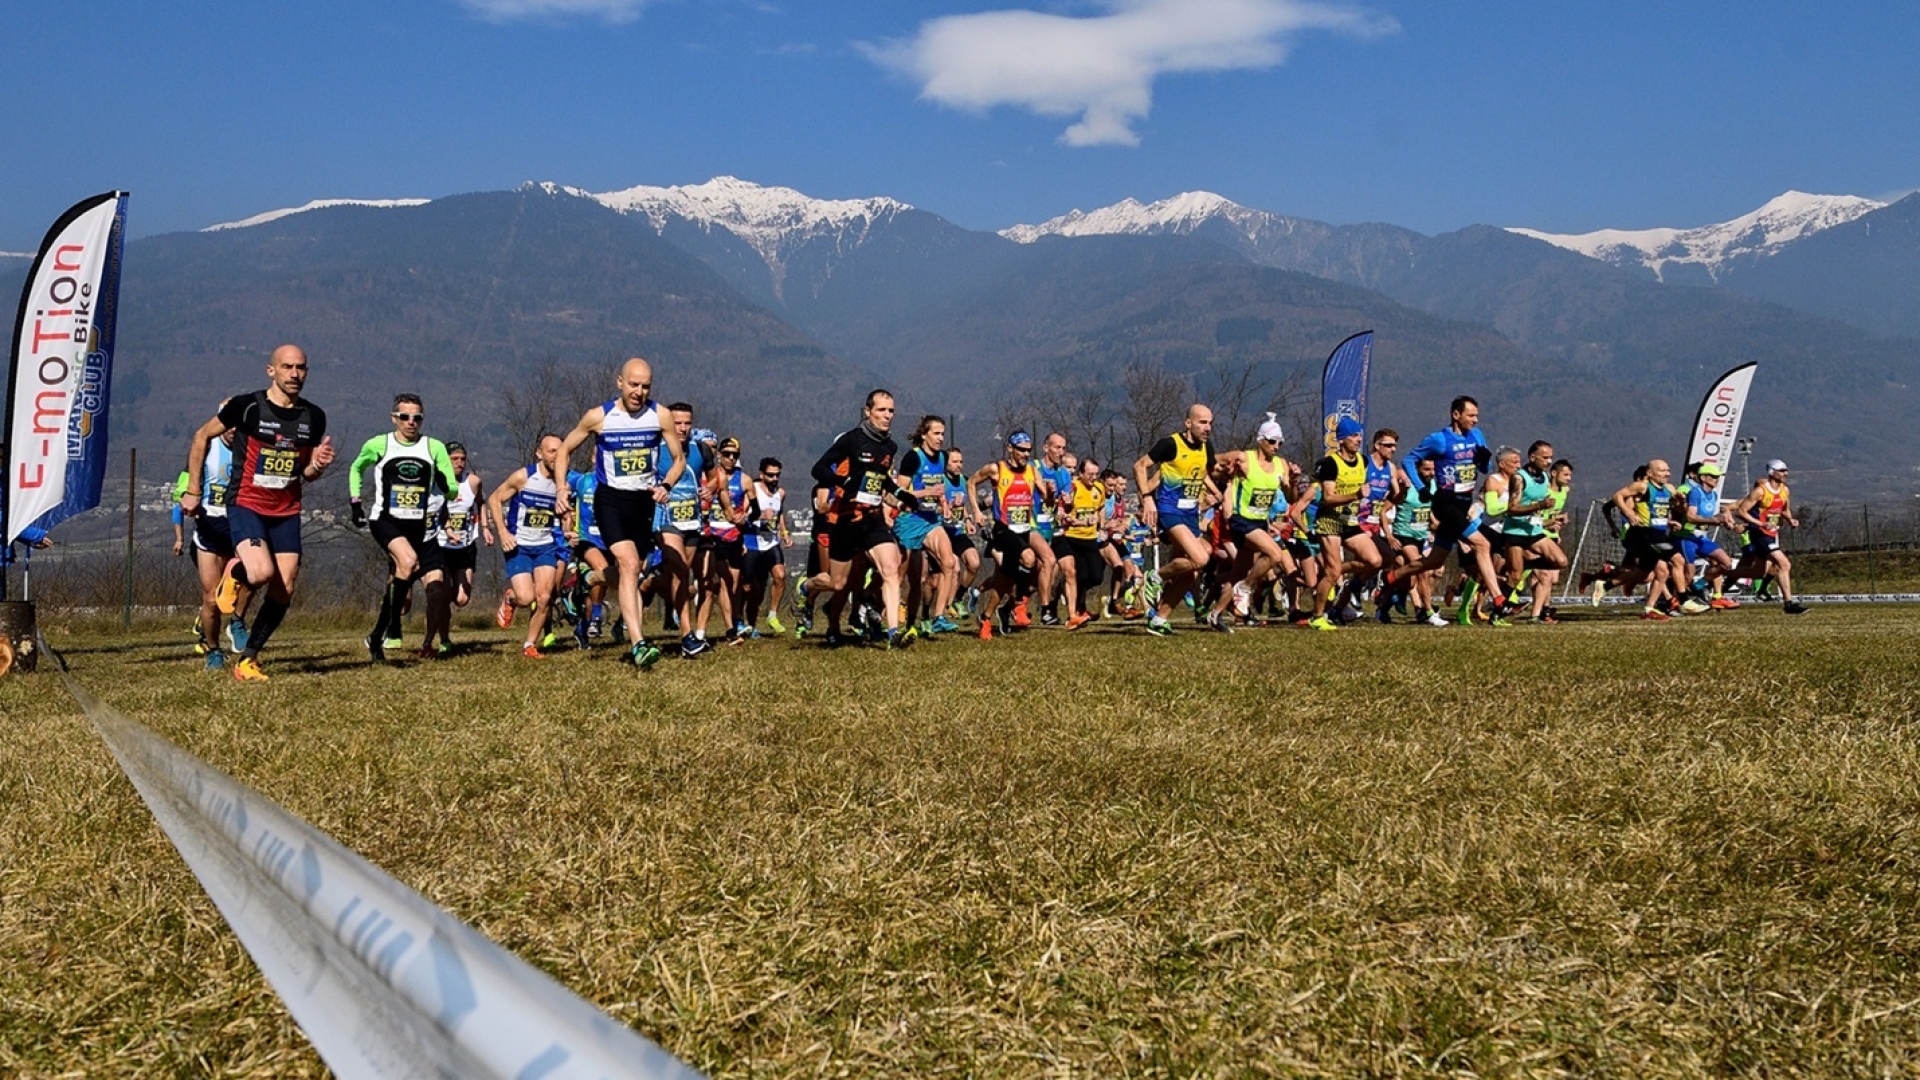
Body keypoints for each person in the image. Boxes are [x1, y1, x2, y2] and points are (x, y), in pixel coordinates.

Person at [179, 344, 335, 683]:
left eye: (301, 368)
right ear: (271, 371)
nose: (295, 374)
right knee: (262, 573)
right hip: (246, 503)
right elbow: (201, 436)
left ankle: (248, 659)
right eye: (287, 367)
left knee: (285, 586)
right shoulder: (247, 406)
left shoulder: (314, 417)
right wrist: (193, 489)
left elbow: (303, 473)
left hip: (286, 510)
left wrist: (317, 467)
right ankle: (235, 576)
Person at [555, 357, 686, 668]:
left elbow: (678, 459)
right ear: (619, 382)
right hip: (610, 500)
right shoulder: (599, 417)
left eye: (645, 386)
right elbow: (563, 450)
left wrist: (666, 485)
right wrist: (562, 487)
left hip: (643, 502)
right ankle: (638, 644)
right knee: (628, 565)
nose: (639, 392)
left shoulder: (660, 415)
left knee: (634, 571)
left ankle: (590, 580)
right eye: (633, 385)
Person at [801, 390, 920, 649]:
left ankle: (893, 633)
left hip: (873, 519)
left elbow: (882, 481)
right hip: (846, 521)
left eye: (891, 411)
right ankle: (807, 588)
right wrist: (842, 481)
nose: (887, 416)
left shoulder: (890, 446)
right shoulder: (851, 440)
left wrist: (902, 497)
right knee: (838, 583)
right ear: (867, 412)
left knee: (891, 567)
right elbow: (818, 469)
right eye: (881, 410)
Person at [1380, 396, 1513, 624]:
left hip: (1463, 501)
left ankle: (1393, 577)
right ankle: (1499, 599)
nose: (1475, 420)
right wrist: (1421, 487)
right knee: (1482, 544)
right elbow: (1410, 460)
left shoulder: (1477, 435)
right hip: (1445, 502)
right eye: (1471, 415)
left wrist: (1484, 461)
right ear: (1456, 415)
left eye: (1476, 415)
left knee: (1434, 561)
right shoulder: (1439, 440)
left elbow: (1484, 468)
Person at [348, 393, 457, 663]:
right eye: (405, 417)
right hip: (386, 520)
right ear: (394, 418)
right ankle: (390, 629)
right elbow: (356, 468)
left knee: (418, 580)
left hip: (419, 527)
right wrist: (355, 502)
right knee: (407, 562)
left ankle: (378, 635)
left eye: (417, 417)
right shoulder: (379, 444)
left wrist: (447, 485)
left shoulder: (434, 447)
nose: (411, 422)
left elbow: (452, 488)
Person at [1133, 404, 1219, 637]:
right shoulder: (1170, 444)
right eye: (1202, 422)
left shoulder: (1205, 447)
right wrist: (1147, 498)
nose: (1208, 427)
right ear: (1188, 423)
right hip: (1170, 511)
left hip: (1191, 513)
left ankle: (1159, 620)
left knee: (1190, 573)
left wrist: (1215, 490)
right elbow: (1140, 466)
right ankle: (1156, 576)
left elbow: (1203, 472)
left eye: (1210, 422)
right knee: (1200, 558)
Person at [1206, 416, 1293, 631]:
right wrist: (1224, 471)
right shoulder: (1244, 458)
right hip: (1241, 521)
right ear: (1260, 440)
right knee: (1274, 554)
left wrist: (1293, 482)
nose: (1276, 447)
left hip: (1260, 523)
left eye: (1280, 443)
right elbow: (1209, 463)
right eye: (1272, 441)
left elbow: (1290, 496)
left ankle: (1216, 614)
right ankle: (1245, 588)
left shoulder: (1281, 465)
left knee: (1237, 573)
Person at [182, 420, 253, 668]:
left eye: (238, 423)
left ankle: (237, 621)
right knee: (211, 599)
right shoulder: (207, 446)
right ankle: (213, 650)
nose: (233, 428)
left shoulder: (251, 447)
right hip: (210, 527)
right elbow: (185, 479)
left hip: (240, 524)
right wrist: (185, 496)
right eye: (229, 422)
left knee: (257, 574)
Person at [488, 434, 567, 657]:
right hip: (519, 545)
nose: (556, 456)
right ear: (539, 454)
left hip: (545, 545)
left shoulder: (563, 482)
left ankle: (529, 645)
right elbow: (494, 499)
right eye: (551, 451)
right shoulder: (524, 477)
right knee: (526, 598)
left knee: (544, 597)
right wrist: (503, 532)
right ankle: (511, 598)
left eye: (560, 451)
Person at [970, 431, 1045, 640]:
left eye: (1028, 450)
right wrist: (976, 510)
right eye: (1021, 450)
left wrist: (1050, 493)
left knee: (1004, 581)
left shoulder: (1032, 470)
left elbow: (1046, 498)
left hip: (1023, 529)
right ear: (1010, 448)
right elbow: (971, 483)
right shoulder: (997, 469)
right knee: (1029, 558)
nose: (1025, 454)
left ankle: (986, 617)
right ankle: (1019, 606)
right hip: (1003, 529)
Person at [893, 416, 961, 635]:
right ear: (924, 435)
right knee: (910, 579)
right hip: (909, 520)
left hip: (931, 519)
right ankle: (900, 621)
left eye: (943, 434)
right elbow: (899, 492)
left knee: (949, 563)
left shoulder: (942, 457)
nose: (941, 438)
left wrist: (944, 503)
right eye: (936, 433)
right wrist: (925, 493)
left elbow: (939, 485)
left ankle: (938, 616)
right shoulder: (913, 458)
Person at [424, 442, 490, 655]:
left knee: (461, 599)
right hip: (441, 545)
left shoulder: (473, 482)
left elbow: (481, 502)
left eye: (463, 458)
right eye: (454, 459)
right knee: (442, 596)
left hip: (465, 547)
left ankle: (440, 630)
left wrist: (485, 527)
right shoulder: (436, 483)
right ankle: (441, 639)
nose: (460, 463)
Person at [1610, 458, 1684, 621]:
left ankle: (1609, 581)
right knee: (1677, 561)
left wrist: (1679, 505)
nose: (1667, 473)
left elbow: (1674, 509)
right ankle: (1683, 600)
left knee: (1648, 574)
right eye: (1662, 470)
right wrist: (1628, 513)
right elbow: (1617, 497)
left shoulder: (1670, 488)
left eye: (1668, 470)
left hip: (1660, 533)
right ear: (1649, 473)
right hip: (1643, 533)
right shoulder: (1642, 486)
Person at [1732, 458, 1808, 615]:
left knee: (1758, 573)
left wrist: (1790, 519)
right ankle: (1788, 603)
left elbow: (1784, 509)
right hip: (1759, 534)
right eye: (1781, 471)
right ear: (1772, 473)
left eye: (1786, 470)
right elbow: (1741, 511)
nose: (1785, 473)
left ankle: (1720, 574)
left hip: (1771, 534)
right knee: (1784, 564)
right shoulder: (1760, 491)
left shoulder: (1785, 490)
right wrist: (1759, 524)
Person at [1675, 462, 1739, 609]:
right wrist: (1714, 520)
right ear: (1703, 477)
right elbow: (1691, 517)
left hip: (1701, 537)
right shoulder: (1694, 492)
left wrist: (1725, 520)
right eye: (1713, 476)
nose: (1717, 479)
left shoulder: (1714, 495)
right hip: (1687, 537)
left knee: (1726, 563)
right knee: (1688, 573)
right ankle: (1675, 602)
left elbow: (1710, 516)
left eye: (1718, 477)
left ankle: (1700, 585)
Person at [740, 456, 791, 636]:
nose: (774, 479)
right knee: (750, 589)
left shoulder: (781, 493)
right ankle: (748, 623)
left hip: (771, 542)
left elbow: (779, 513)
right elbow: (742, 515)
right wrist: (760, 515)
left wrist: (784, 532)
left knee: (780, 575)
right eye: (770, 475)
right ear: (761, 475)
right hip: (752, 541)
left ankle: (772, 615)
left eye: (777, 475)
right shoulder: (752, 490)